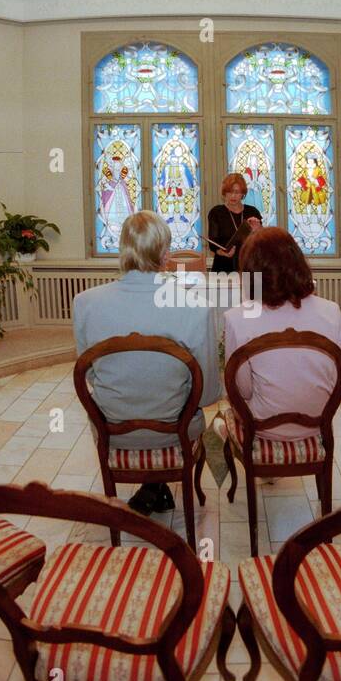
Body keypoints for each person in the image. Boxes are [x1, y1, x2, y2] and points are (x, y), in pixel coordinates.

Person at [72, 211, 222, 515]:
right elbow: (206, 395)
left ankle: (152, 490)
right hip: (175, 430)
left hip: (113, 430)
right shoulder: (194, 305)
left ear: (122, 249)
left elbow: (88, 373)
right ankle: (156, 487)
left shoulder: (85, 303)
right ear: (165, 254)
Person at [223, 227, 341, 440]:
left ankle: (253, 459)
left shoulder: (238, 318)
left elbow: (242, 390)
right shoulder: (331, 311)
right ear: (298, 263)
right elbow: (340, 382)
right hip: (317, 421)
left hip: (261, 427)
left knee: (223, 415)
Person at [206, 173, 262, 274]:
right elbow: (212, 243)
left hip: (250, 266)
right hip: (223, 266)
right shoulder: (216, 212)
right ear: (224, 193)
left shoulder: (252, 212)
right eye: (229, 192)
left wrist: (259, 230)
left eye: (237, 192)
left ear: (243, 193)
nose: (233, 196)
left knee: (256, 290)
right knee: (222, 290)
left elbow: (261, 242)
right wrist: (221, 252)